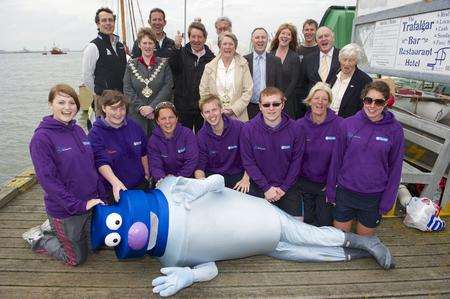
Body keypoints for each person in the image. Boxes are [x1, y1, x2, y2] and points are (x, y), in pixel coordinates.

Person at [91, 175, 396, 297]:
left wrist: (201, 185)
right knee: (307, 254)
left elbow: (218, 181)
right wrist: (190, 277)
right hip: (260, 245)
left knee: (309, 235)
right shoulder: (171, 254)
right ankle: (356, 253)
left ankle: (363, 241)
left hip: (264, 215)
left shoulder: (172, 188)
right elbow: (210, 266)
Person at [22, 84, 105, 266]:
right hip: (67, 208)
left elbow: (90, 166)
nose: (67, 107)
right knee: (76, 258)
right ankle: (39, 239)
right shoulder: (41, 138)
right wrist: (77, 205)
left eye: (71, 103)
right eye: (61, 102)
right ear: (50, 104)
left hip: (90, 203)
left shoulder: (78, 130)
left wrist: (99, 196)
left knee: (96, 247)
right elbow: (48, 181)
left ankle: (52, 228)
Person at [326, 81, 404, 236]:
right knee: (339, 240)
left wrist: (388, 200)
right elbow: (336, 160)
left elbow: (396, 168)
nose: (372, 106)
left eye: (379, 101)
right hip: (345, 192)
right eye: (368, 100)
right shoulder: (347, 124)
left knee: (364, 243)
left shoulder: (395, 130)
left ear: (386, 103)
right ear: (363, 100)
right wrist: (330, 190)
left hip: (373, 196)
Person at [240, 87, 304, 217]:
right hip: (260, 187)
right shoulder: (248, 129)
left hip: (288, 188)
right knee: (260, 232)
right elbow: (249, 162)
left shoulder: (296, 129)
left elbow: (296, 163)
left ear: (283, 105)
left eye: (276, 104)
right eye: (266, 104)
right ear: (260, 106)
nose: (271, 108)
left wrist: (284, 188)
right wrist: (266, 188)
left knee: (296, 229)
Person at [88, 90, 149, 204]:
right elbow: (101, 162)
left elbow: (143, 152)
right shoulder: (95, 134)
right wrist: (115, 183)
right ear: (104, 108)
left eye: (122, 108)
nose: (118, 113)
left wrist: (146, 174)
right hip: (113, 190)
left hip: (140, 186)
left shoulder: (135, 126)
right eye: (113, 108)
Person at [297, 82, 342, 226]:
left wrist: (332, 183)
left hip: (326, 185)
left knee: (324, 223)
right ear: (310, 101)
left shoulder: (340, 125)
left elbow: (342, 158)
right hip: (303, 183)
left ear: (329, 102)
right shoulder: (299, 125)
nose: (320, 102)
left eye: (324, 99)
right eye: (316, 98)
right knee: (306, 222)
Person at [123, 27, 173, 136]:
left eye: (150, 43)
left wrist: (152, 107)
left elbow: (168, 87)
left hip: (159, 115)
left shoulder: (164, 64)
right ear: (139, 45)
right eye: (144, 43)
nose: (147, 46)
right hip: (136, 116)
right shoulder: (131, 65)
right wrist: (141, 107)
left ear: (155, 45)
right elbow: (127, 89)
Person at [82, 7, 127, 127]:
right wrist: (99, 94)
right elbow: (87, 76)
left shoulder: (120, 46)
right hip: (104, 101)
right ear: (98, 23)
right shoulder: (93, 46)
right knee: (104, 134)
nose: (108, 23)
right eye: (104, 20)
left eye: (111, 20)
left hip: (121, 100)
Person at [195, 95, 250, 192]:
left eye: (214, 110)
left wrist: (246, 179)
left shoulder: (239, 127)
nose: (211, 115)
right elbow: (199, 167)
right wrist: (203, 184)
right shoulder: (201, 136)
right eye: (207, 112)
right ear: (202, 115)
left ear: (221, 110)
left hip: (237, 175)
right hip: (214, 177)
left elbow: (250, 156)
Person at [170, 22, 215, 132]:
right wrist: (176, 47)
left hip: (202, 107)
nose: (196, 40)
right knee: (184, 139)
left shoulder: (212, 58)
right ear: (189, 37)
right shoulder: (181, 53)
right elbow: (173, 67)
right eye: (193, 36)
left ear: (205, 38)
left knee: (203, 139)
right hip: (183, 107)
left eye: (199, 37)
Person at [199, 32, 253, 121]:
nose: (227, 47)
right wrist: (214, 109)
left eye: (231, 44)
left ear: (235, 46)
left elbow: (248, 90)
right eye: (224, 44)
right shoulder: (209, 67)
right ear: (219, 46)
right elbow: (204, 91)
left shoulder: (243, 65)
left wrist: (234, 109)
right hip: (214, 117)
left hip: (238, 117)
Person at [147, 102, 199, 181]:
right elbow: (155, 167)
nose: (168, 122)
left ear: (177, 118)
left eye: (171, 117)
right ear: (157, 121)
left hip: (187, 180)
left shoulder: (188, 134)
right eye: (163, 118)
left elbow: (191, 162)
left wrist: (176, 179)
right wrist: (165, 180)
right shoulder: (153, 141)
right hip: (164, 182)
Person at [297, 26, 340, 117]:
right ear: (316, 41)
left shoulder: (343, 57)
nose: (323, 39)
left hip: (336, 111)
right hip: (313, 111)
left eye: (326, 36)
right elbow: (302, 86)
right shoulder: (308, 59)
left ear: (333, 38)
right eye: (320, 37)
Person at [244, 28, 283, 119]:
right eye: (257, 37)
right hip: (249, 107)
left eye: (263, 37)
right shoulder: (244, 61)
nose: (260, 40)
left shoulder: (276, 61)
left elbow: (279, 86)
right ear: (252, 40)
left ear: (267, 40)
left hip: (270, 108)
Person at [329, 43, 373, 118]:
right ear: (340, 59)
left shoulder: (364, 80)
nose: (346, 64)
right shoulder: (333, 72)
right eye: (344, 59)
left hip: (347, 123)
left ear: (356, 62)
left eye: (351, 60)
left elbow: (363, 108)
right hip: (327, 119)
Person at [269, 23, 301, 119]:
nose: (285, 36)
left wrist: (283, 98)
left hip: (288, 100)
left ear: (291, 38)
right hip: (271, 100)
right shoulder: (270, 54)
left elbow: (294, 81)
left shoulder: (294, 57)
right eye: (283, 33)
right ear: (278, 36)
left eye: (288, 34)